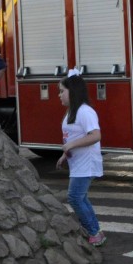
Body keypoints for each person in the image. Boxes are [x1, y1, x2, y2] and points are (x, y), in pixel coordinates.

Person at [55, 70, 106, 246]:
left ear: (73, 92)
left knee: (74, 197)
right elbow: (72, 137)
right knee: (80, 197)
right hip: (78, 163)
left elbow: (96, 135)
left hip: (87, 163)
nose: (59, 95)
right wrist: (65, 154)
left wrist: (71, 145)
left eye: (62, 91)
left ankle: (93, 232)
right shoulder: (72, 112)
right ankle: (95, 231)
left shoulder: (85, 112)